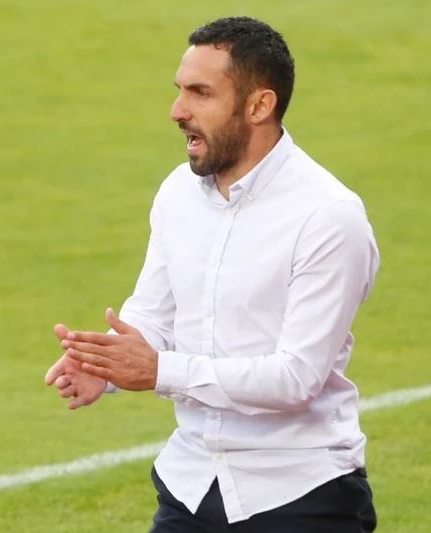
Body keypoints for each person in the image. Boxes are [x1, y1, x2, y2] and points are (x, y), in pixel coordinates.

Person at [44, 16, 379, 533]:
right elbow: (154, 316)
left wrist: (160, 371)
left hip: (300, 497)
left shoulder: (328, 217)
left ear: (259, 106)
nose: (177, 111)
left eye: (200, 93)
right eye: (180, 90)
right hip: (192, 485)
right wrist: (105, 363)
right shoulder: (178, 193)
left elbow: (295, 378)